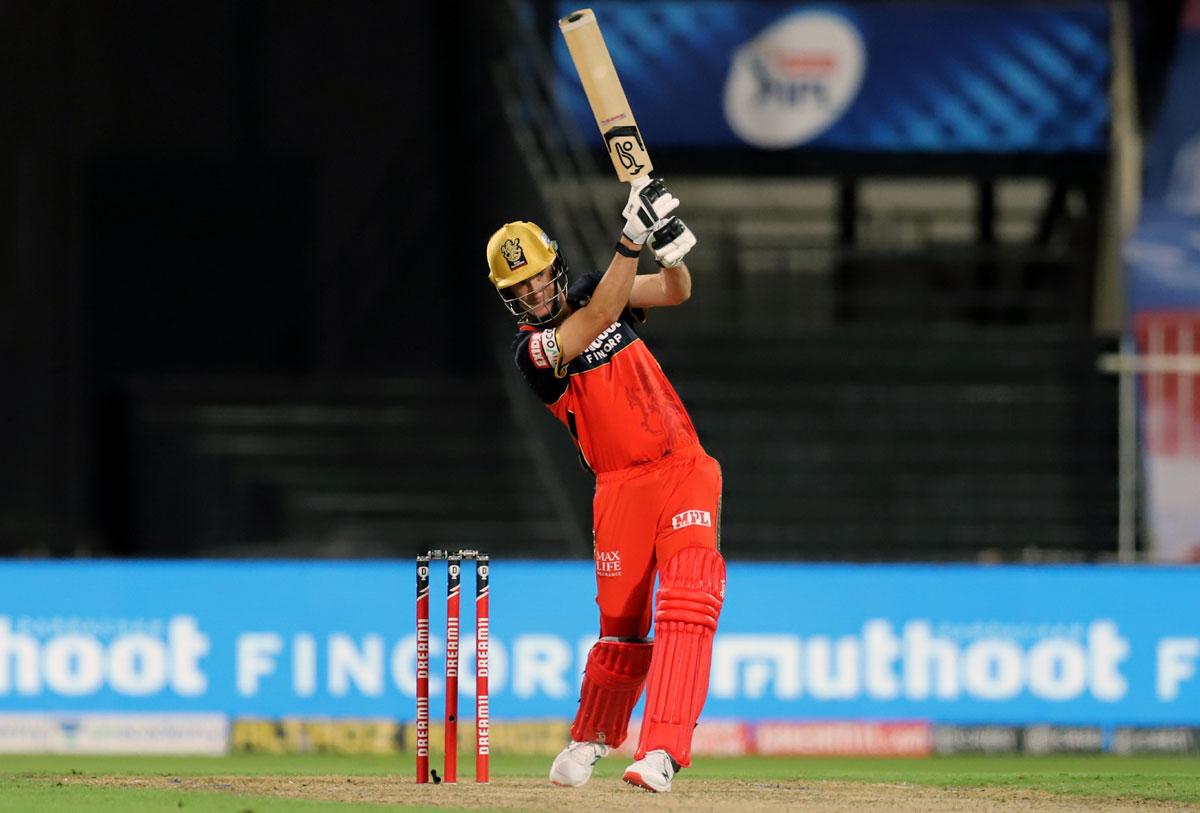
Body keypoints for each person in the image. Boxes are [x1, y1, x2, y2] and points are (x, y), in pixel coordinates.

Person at [485, 178, 726, 793]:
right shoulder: (532, 353)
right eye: (521, 289)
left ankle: (662, 753)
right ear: (510, 299)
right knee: (622, 629)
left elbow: (676, 290)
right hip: (620, 490)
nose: (536, 293)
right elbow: (595, 320)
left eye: (540, 278)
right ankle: (592, 736)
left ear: (556, 269)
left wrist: (668, 246)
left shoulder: (599, 287)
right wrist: (630, 236)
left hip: (682, 467)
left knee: (690, 602)